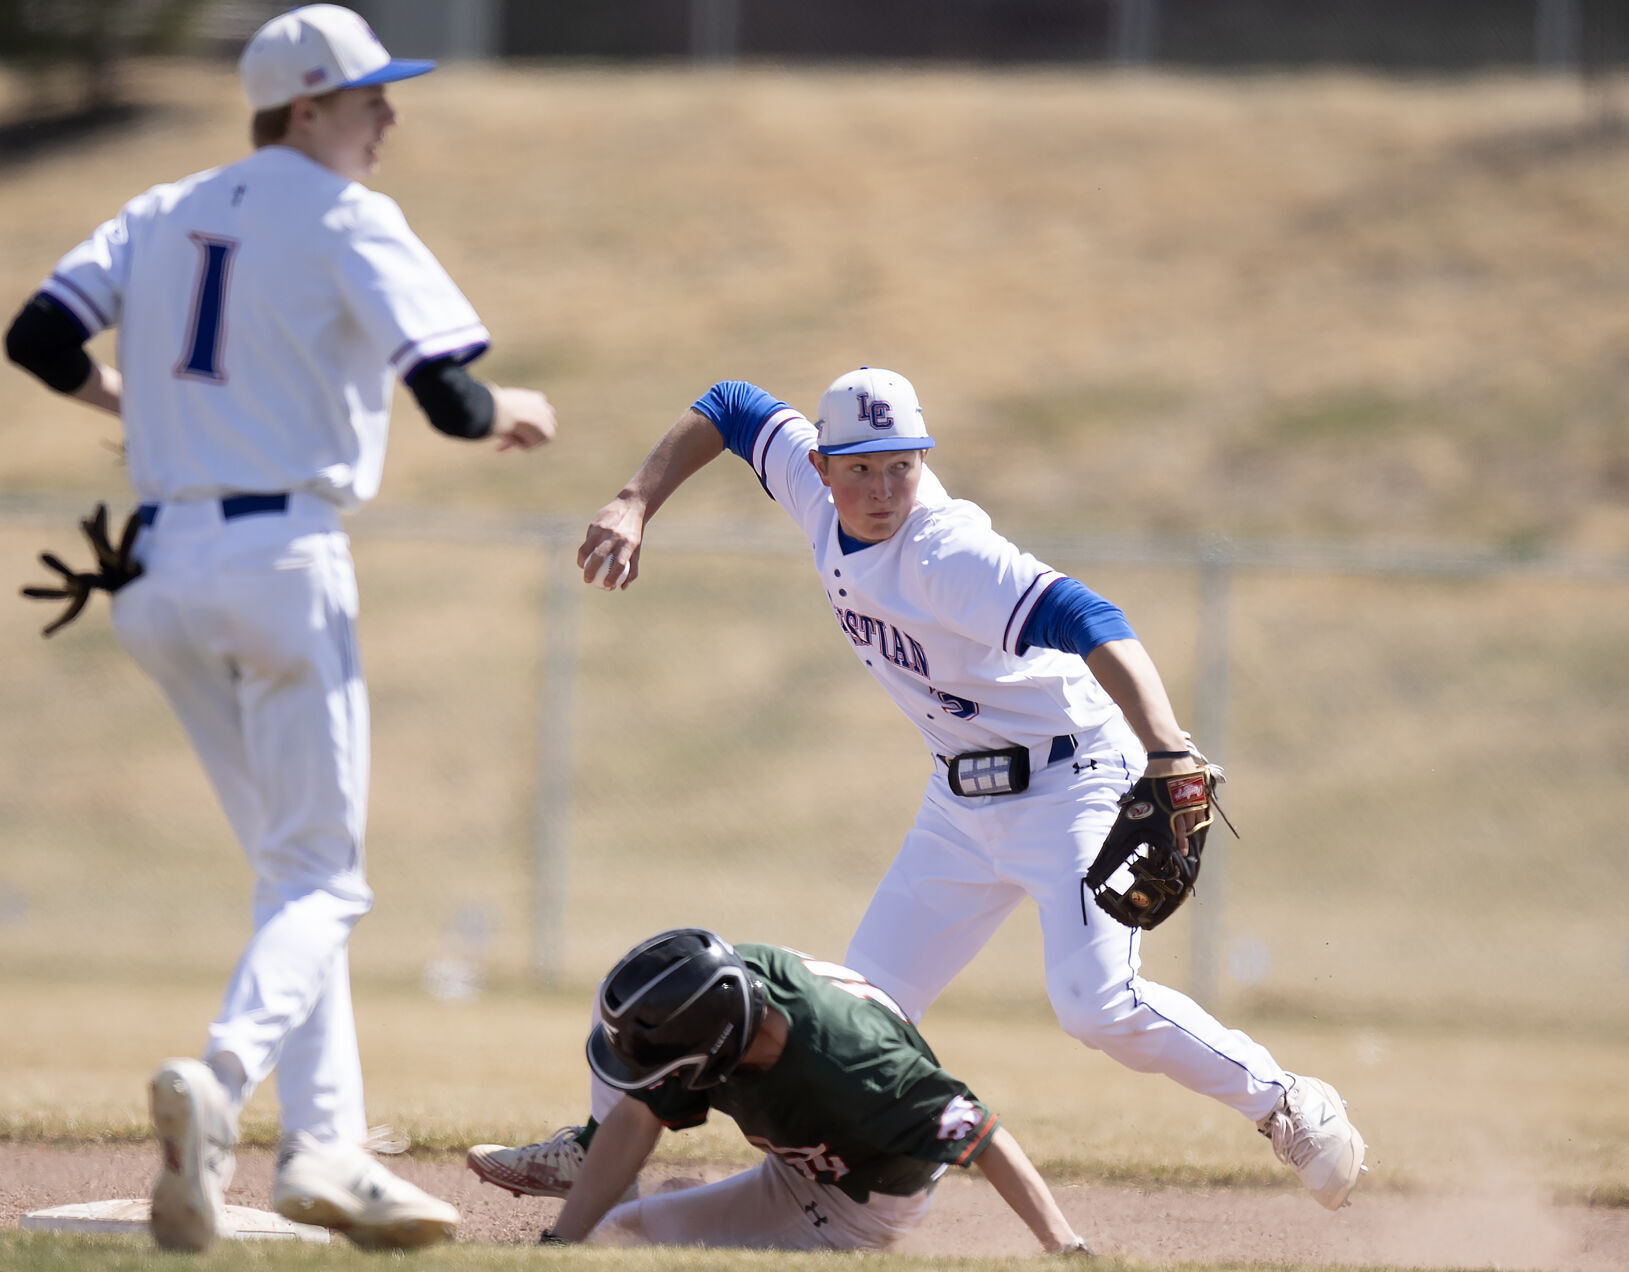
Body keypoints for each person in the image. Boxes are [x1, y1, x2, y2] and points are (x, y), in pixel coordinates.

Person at [472, 368, 1366, 1213]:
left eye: (902, 466)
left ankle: (1286, 1101)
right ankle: (606, 1152)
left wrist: (1166, 749)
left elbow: (1092, 617)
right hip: (959, 801)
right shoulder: (810, 486)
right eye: (861, 469)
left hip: (1072, 783)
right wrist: (634, 500)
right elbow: (733, 404)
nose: (883, 488)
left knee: (1095, 1004)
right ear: (819, 468)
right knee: (851, 1021)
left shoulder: (947, 553)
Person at [4, 4, 556, 1252]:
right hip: (279, 560)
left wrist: (128, 402)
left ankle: (329, 1152)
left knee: (295, 879)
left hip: (156, 568)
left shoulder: (159, 206)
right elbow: (452, 397)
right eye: (370, 98)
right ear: (306, 110)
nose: (389, 117)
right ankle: (222, 1082)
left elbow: (35, 335)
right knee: (323, 874)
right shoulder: (346, 212)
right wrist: (514, 405)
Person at [512, 928, 1092, 1253]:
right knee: (601, 1232)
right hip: (809, 1143)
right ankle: (683, 1199)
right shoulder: (730, 993)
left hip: (852, 1202)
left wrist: (1064, 1245)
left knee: (621, 1239)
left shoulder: (861, 1069)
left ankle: (700, 1209)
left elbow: (981, 1132)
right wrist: (560, 1242)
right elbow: (639, 1115)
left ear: (721, 1050)